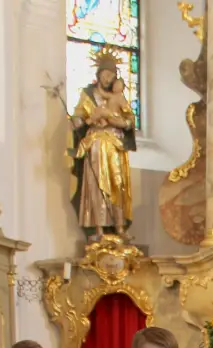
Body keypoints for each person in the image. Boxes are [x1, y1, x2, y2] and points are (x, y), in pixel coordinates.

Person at [72, 48, 137, 237]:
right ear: (98, 74)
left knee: (117, 184)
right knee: (96, 185)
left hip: (115, 145)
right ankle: (98, 227)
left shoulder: (119, 98)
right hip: (96, 144)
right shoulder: (88, 95)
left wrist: (120, 122)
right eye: (106, 74)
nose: (108, 78)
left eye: (112, 75)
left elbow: (130, 120)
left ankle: (119, 226)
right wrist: (84, 121)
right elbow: (77, 119)